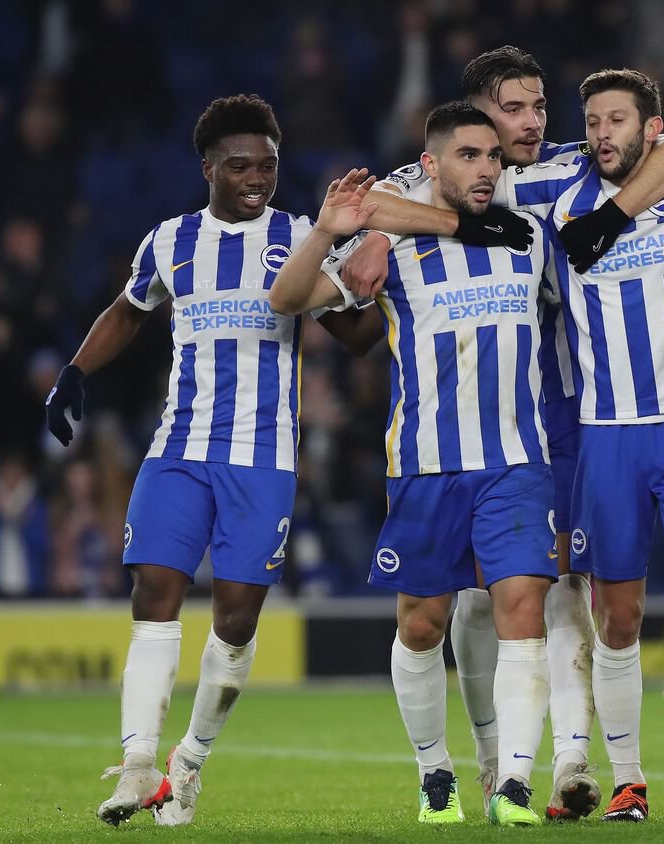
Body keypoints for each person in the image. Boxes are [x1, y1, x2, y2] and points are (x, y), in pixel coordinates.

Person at [44, 94, 500, 828]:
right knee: (154, 591)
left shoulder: (300, 235)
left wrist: (375, 296)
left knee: (234, 621)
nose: (257, 177)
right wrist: (75, 371)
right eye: (240, 166)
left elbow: (353, 337)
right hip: (179, 449)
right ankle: (136, 764)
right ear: (209, 169)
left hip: (262, 461)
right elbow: (130, 309)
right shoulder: (170, 241)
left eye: (267, 165)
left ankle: (186, 763)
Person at [346, 45, 664, 821]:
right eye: (514, 108)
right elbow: (368, 209)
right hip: (474, 419)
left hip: (568, 412)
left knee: (560, 593)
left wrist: (611, 215)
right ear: (477, 116)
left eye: (539, 106)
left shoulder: (565, 169)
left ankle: (570, 763)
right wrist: (408, 230)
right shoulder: (443, 175)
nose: (532, 122)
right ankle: (490, 762)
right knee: (474, 607)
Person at [267, 102, 561, 827]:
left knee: (521, 609)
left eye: (493, 155)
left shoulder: (529, 236)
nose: (487, 167)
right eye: (469, 154)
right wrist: (332, 231)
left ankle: (517, 783)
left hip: (518, 461)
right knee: (422, 627)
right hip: (428, 465)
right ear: (431, 165)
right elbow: (287, 298)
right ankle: (435, 774)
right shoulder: (391, 248)